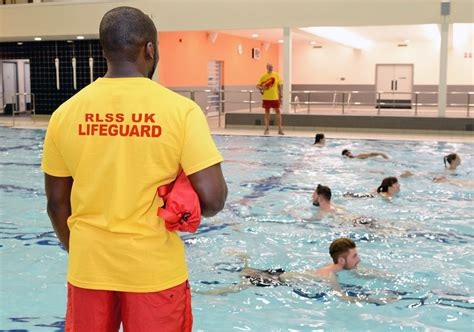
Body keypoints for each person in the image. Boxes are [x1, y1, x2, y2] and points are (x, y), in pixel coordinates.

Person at [41, 7, 227, 332]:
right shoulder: (181, 112)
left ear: (105, 50)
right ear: (150, 50)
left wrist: (86, 251)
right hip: (154, 272)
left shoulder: (65, 114)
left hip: (88, 269)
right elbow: (212, 200)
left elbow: (57, 203)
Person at [195, 238, 398, 305]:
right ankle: (199, 293)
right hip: (274, 280)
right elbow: (342, 298)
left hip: (282, 274)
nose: (359, 259)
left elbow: (359, 271)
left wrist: (383, 275)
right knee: (237, 287)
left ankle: (244, 259)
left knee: (244, 272)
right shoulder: (330, 275)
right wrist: (375, 300)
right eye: (355, 256)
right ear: (341, 260)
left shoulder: (338, 267)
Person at [257, 63, 284, 135]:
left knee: (278, 112)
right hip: (266, 98)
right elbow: (257, 86)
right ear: (267, 67)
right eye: (269, 67)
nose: (271, 68)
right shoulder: (263, 76)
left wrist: (281, 95)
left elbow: (279, 86)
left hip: (275, 97)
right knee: (267, 113)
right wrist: (261, 88)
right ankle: (267, 129)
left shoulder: (276, 75)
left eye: (272, 67)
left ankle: (280, 129)